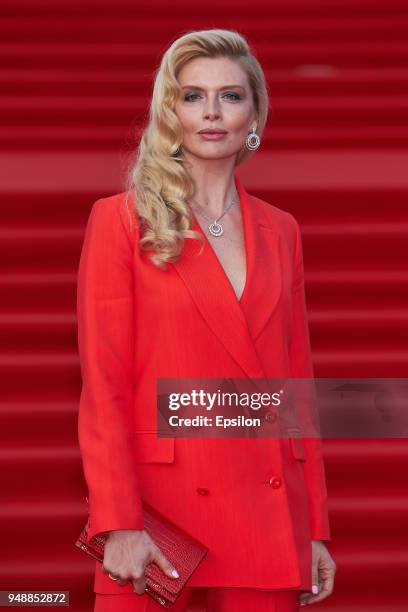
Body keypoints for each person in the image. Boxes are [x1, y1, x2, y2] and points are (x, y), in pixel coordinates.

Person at [76, 28, 336, 612]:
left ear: (255, 114)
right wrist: (116, 519)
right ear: (170, 112)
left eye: (230, 96)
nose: (212, 112)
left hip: (265, 512)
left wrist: (314, 524)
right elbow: (104, 383)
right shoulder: (122, 221)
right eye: (192, 96)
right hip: (158, 519)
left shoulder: (281, 230)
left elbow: (297, 388)